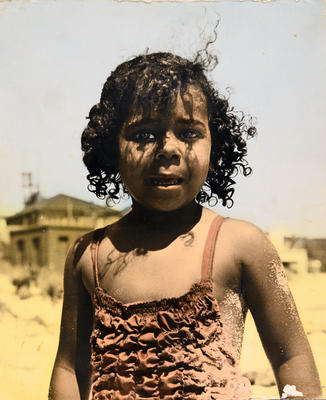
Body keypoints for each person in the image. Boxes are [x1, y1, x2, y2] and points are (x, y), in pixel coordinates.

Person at [49, 52, 321, 400]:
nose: (168, 149)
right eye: (144, 134)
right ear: (110, 147)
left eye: (189, 132)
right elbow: (69, 368)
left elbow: (293, 358)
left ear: (216, 145)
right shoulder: (88, 255)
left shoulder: (240, 245)